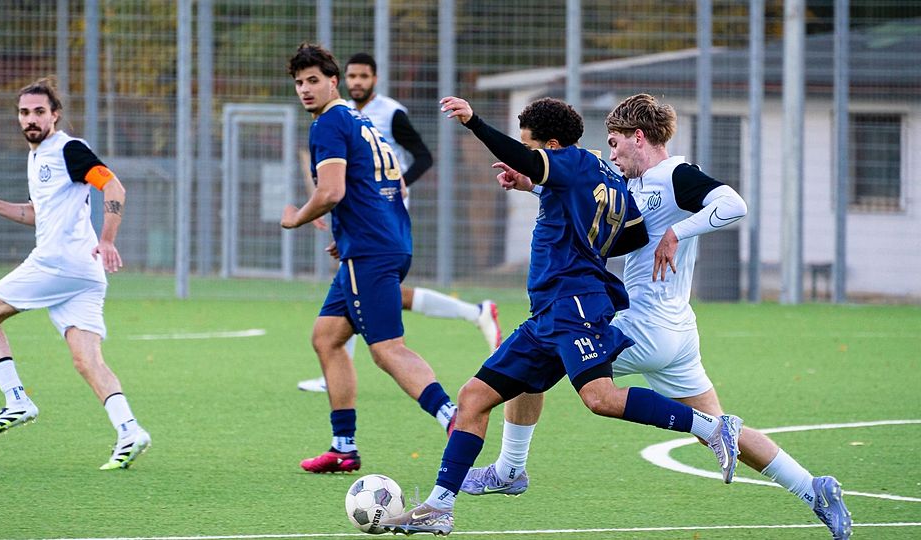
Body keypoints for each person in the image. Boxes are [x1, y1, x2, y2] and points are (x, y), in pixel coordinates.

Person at [459, 93, 852, 540]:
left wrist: (675, 232)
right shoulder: (633, 185)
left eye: (614, 142)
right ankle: (813, 488)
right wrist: (532, 186)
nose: (611, 153)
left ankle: (510, 469)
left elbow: (733, 204)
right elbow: (588, 206)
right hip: (675, 333)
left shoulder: (673, 175)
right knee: (717, 431)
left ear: (638, 137)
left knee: (534, 355)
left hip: (643, 327)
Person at [380, 96, 744, 536]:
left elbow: (536, 165)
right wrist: (544, 194)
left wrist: (475, 122)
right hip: (550, 311)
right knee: (474, 397)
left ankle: (711, 426)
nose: (526, 156)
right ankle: (440, 507)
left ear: (551, 146)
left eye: (532, 149)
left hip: (574, 307)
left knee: (600, 398)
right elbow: (627, 238)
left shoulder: (570, 162)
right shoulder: (593, 170)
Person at [282, 44, 458, 474]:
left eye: (313, 81)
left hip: (371, 250)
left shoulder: (328, 124)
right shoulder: (361, 122)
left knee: (386, 350)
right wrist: (350, 232)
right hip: (380, 243)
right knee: (327, 337)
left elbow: (331, 192)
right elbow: (389, 183)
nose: (305, 90)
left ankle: (456, 418)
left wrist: (295, 219)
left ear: (333, 81)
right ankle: (344, 448)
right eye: (299, 83)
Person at [0, 77, 151, 470]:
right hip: (82, 272)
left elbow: (113, 187)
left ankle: (16, 398)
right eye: (24, 112)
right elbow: (37, 214)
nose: (30, 119)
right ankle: (129, 430)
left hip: (58, 263)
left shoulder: (68, 149)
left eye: (38, 112)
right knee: (87, 361)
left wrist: (109, 238)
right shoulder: (37, 158)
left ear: (55, 115)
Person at [296, 52, 501, 394]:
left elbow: (422, 155)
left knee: (374, 317)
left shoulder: (388, 112)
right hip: (364, 219)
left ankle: (445, 406)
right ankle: (474, 312)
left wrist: (397, 183)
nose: (357, 82)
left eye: (363, 76)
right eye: (353, 76)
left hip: (381, 218)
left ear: (374, 78)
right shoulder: (346, 113)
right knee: (360, 294)